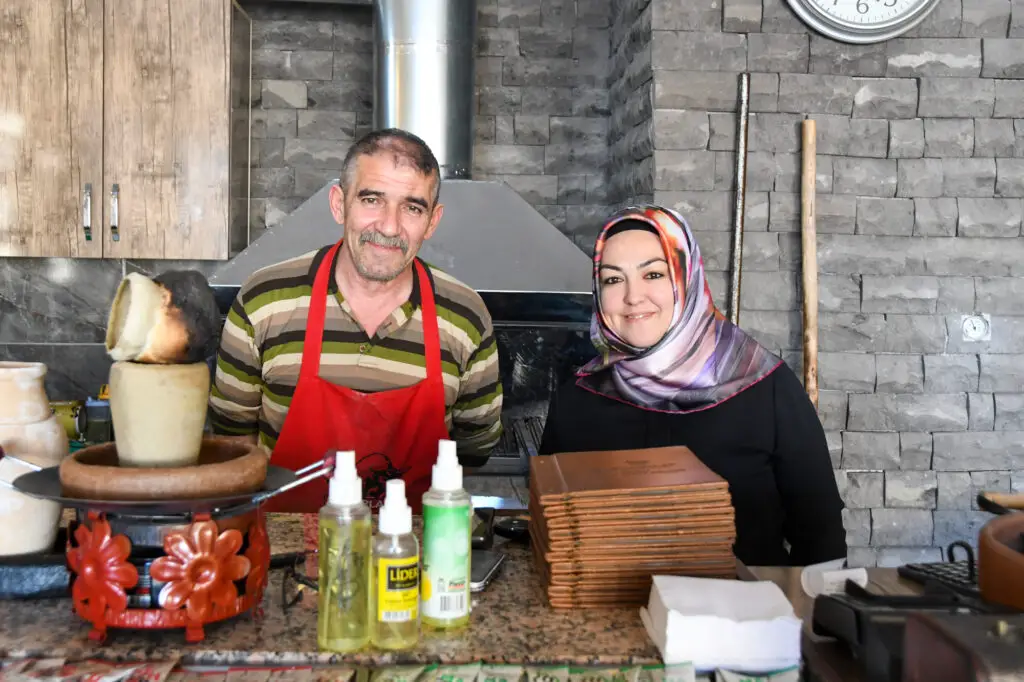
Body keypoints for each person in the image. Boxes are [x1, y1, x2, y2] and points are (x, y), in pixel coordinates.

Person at [209, 128, 503, 513]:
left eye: (412, 207)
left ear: (432, 221)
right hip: (287, 556)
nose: (389, 226)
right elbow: (233, 442)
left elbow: (475, 447)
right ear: (338, 203)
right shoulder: (264, 301)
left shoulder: (465, 317)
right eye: (371, 199)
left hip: (414, 555)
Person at [538, 205, 846, 567]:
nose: (633, 296)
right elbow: (550, 528)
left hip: (744, 615)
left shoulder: (765, 386)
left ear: (687, 278)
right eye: (613, 279)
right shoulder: (578, 398)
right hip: (605, 615)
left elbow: (820, 538)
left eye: (653, 274)